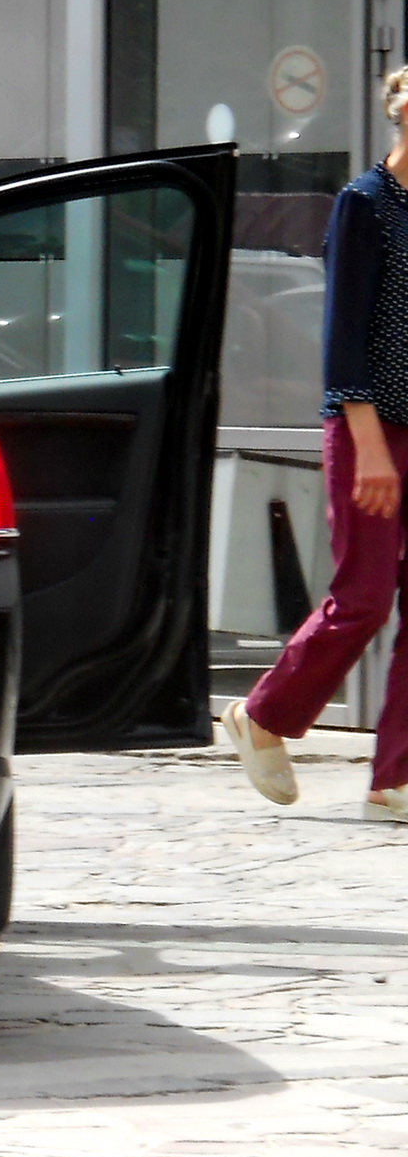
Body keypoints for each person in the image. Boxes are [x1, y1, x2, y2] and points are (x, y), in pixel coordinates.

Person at [223, 66, 408, 822]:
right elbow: (342, 342)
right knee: (364, 595)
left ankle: (394, 779)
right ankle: (262, 714)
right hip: (370, 427)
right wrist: (367, 443)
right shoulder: (364, 203)